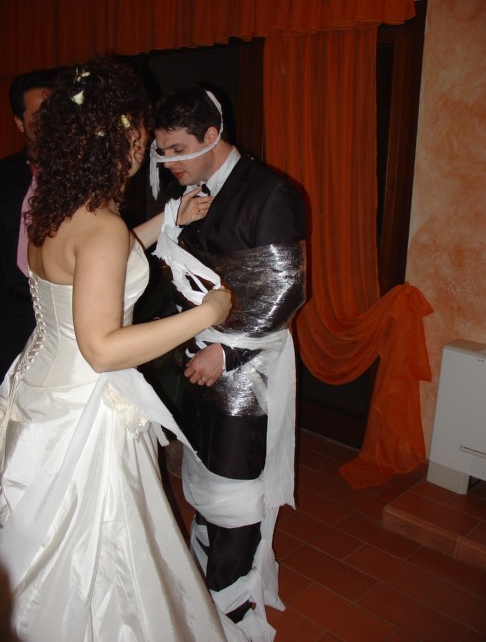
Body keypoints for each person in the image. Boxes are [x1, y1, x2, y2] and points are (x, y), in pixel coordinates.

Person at [0, 57, 242, 642]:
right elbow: (103, 348)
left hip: (41, 385)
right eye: (140, 132)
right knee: (101, 548)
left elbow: (101, 261)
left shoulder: (55, 207)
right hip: (83, 407)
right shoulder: (100, 225)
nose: (147, 147)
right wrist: (207, 314)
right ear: (119, 138)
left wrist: (169, 219)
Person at [151, 85, 307, 640]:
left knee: (238, 484)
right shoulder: (191, 191)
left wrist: (229, 350)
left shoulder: (269, 193)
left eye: (177, 149)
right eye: (162, 150)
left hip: (247, 366)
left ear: (212, 135)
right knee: (204, 470)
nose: (167, 163)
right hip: (199, 354)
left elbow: (285, 289)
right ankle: (206, 575)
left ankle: (230, 608)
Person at [0, 68, 59, 381]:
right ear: (20, 122)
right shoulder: (3, 178)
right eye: (37, 117)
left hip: (62, 318)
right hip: (9, 320)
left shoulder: (80, 178)